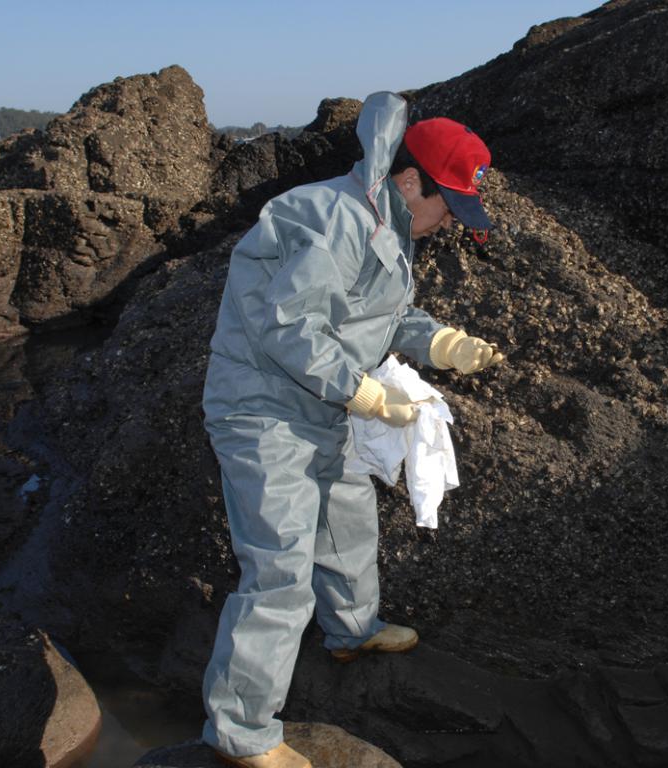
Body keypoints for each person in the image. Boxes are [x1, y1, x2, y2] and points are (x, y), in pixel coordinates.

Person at [201, 91, 502, 768]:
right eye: (445, 207)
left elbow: (384, 317)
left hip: (319, 407)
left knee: (346, 515)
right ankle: (239, 734)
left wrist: (442, 342)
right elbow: (289, 326)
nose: (448, 223)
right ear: (408, 179)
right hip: (261, 408)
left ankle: (351, 629)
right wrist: (362, 391)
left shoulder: (391, 226)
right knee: (278, 567)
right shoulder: (332, 217)